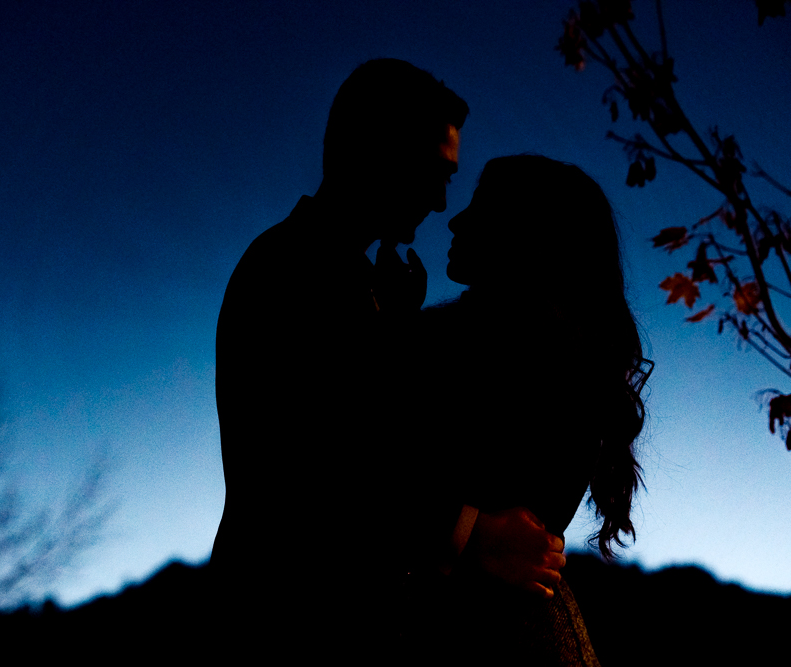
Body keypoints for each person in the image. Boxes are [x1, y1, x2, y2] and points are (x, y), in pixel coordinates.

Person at [210, 60, 565, 656]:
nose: (440, 198)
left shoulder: (351, 277)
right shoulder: (289, 267)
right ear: (377, 151)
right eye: (435, 170)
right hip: (287, 624)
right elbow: (306, 461)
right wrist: (473, 533)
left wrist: (397, 331)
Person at [413, 154, 652, 664]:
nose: (455, 221)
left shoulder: (486, 352)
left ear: (523, 234)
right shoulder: (571, 360)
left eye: (478, 210)